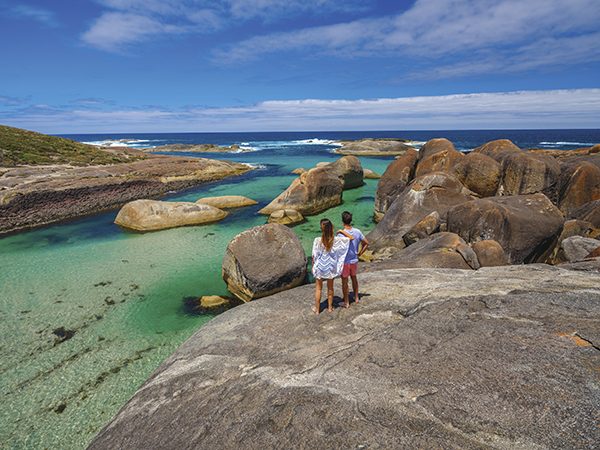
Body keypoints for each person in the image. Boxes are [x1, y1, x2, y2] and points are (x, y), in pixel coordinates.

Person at [312, 218, 354, 314]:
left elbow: (314, 255)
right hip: (330, 267)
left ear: (322, 229)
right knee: (330, 288)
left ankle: (317, 310)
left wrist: (313, 267)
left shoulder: (317, 240)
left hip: (319, 267)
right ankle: (330, 307)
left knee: (318, 288)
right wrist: (342, 231)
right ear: (331, 228)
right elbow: (351, 238)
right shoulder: (336, 240)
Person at [338, 211, 369, 308]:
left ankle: (346, 302)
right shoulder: (358, 231)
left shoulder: (341, 235)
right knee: (354, 278)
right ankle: (356, 297)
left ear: (342, 221)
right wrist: (360, 253)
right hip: (354, 260)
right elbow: (366, 243)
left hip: (345, 262)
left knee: (345, 282)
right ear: (351, 220)